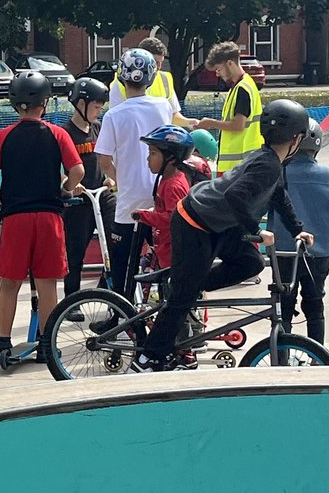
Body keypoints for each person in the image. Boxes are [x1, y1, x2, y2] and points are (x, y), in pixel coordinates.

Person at [132, 99, 315, 372]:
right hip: (193, 220)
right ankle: (147, 358)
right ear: (297, 139)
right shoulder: (268, 163)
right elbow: (235, 196)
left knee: (251, 263)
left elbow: (278, 195)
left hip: (216, 222)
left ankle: (184, 283)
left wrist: (298, 228)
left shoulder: (269, 161)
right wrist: (256, 230)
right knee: (182, 297)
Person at [0, 71, 84, 365]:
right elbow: (77, 172)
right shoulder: (57, 133)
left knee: (10, 282)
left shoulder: (3, 137)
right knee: (48, 283)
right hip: (49, 217)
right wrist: (65, 189)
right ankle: (47, 344)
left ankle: (3, 343)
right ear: (45, 102)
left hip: (16, 218)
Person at [267, 118, 329, 344]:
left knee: (284, 304)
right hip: (319, 252)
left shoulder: (277, 173)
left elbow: (258, 205)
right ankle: (318, 356)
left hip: (283, 251)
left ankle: (281, 353)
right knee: (315, 302)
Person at [94, 48, 175, 298]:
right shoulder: (163, 107)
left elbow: (104, 160)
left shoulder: (114, 115)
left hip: (129, 201)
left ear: (122, 77)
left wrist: (122, 180)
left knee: (121, 266)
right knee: (166, 262)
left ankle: (120, 315)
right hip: (159, 196)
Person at [60, 77, 115, 297]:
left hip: (102, 195)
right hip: (79, 199)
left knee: (115, 242)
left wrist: (111, 179)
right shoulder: (64, 133)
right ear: (80, 104)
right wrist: (69, 186)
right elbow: (57, 167)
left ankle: (106, 289)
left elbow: (108, 159)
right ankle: (72, 298)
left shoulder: (99, 128)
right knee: (75, 252)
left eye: (101, 108)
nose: (98, 112)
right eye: (95, 107)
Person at [181, 41, 263, 176]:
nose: (217, 74)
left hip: (238, 166)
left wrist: (210, 123)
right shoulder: (241, 86)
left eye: (219, 69)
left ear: (230, 64)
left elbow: (238, 125)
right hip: (241, 164)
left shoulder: (242, 89)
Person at [131, 125, 196, 271]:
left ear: (171, 158)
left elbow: (173, 219)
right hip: (165, 252)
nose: (148, 159)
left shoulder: (174, 186)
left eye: (153, 153)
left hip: (174, 257)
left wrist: (144, 216)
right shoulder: (166, 180)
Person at [107, 36, 182, 117]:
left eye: (161, 62)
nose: (159, 67)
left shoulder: (164, 79)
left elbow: (173, 115)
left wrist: (191, 123)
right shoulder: (122, 83)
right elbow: (117, 117)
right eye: (156, 62)